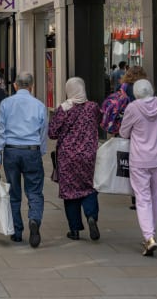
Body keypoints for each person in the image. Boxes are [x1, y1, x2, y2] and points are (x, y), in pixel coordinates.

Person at [0, 71, 47, 247]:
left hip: (11, 151)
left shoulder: (6, 104)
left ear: (15, 85)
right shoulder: (39, 105)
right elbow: (43, 131)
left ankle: (17, 231)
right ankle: (34, 219)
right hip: (31, 150)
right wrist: (41, 151)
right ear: (32, 86)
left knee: (14, 192)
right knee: (35, 191)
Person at [119, 79, 157, 256]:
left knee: (143, 198)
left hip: (140, 159)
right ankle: (151, 235)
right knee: (155, 197)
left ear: (136, 92)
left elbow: (124, 132)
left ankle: (149, 236)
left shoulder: (132, 108)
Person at [48, 77, 102, 241]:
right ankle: (91, 216)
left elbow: (52, 133)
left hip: (67, 157)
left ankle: (74, 230)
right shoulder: (93, 107)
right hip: (88, 155)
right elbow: (100, 122)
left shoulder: (63, 109)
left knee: (70, 192)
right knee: (89, 187)